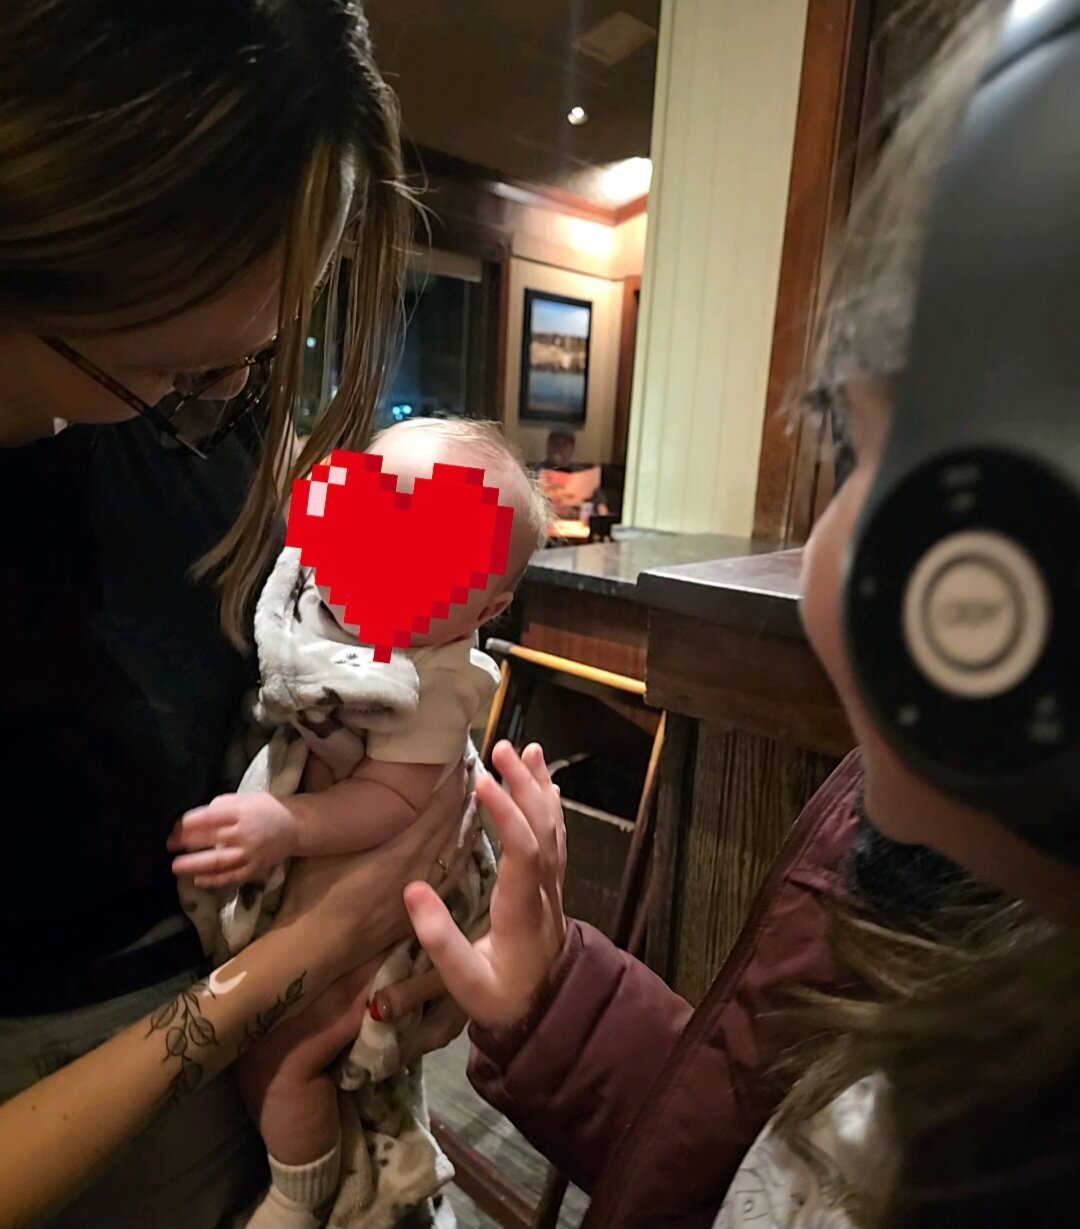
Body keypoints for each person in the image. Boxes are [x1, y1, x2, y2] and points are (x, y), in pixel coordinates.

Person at [400, 3, 1079, 1227]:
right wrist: (550, 997)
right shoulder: (927, 866)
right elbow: (746, 1147)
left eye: (883, 454)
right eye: (843, 443)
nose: (820, 560)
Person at [0, 4, 469, 1226]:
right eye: (190, 369)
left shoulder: (218, 420)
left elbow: (423, 658)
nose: (246, 383)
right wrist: (287, 968)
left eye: (268, 353)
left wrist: (433, 863)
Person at [171, 417, 549, 1227]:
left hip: (385, 891)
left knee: (286, 1061)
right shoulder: (333, 602)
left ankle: (298, 1189)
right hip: (325, 878)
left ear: (487, 602)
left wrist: (289, 824)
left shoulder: (442, 678)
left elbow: (400, 802)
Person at [537, 430, 610, 518]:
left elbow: (601, 505)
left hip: (576, 526)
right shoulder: (535, 473)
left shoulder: (584, 475)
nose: (558, 449)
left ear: (572, 448)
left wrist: (603, 518)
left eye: (564, 445)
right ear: (548, 446)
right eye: (555, 444)